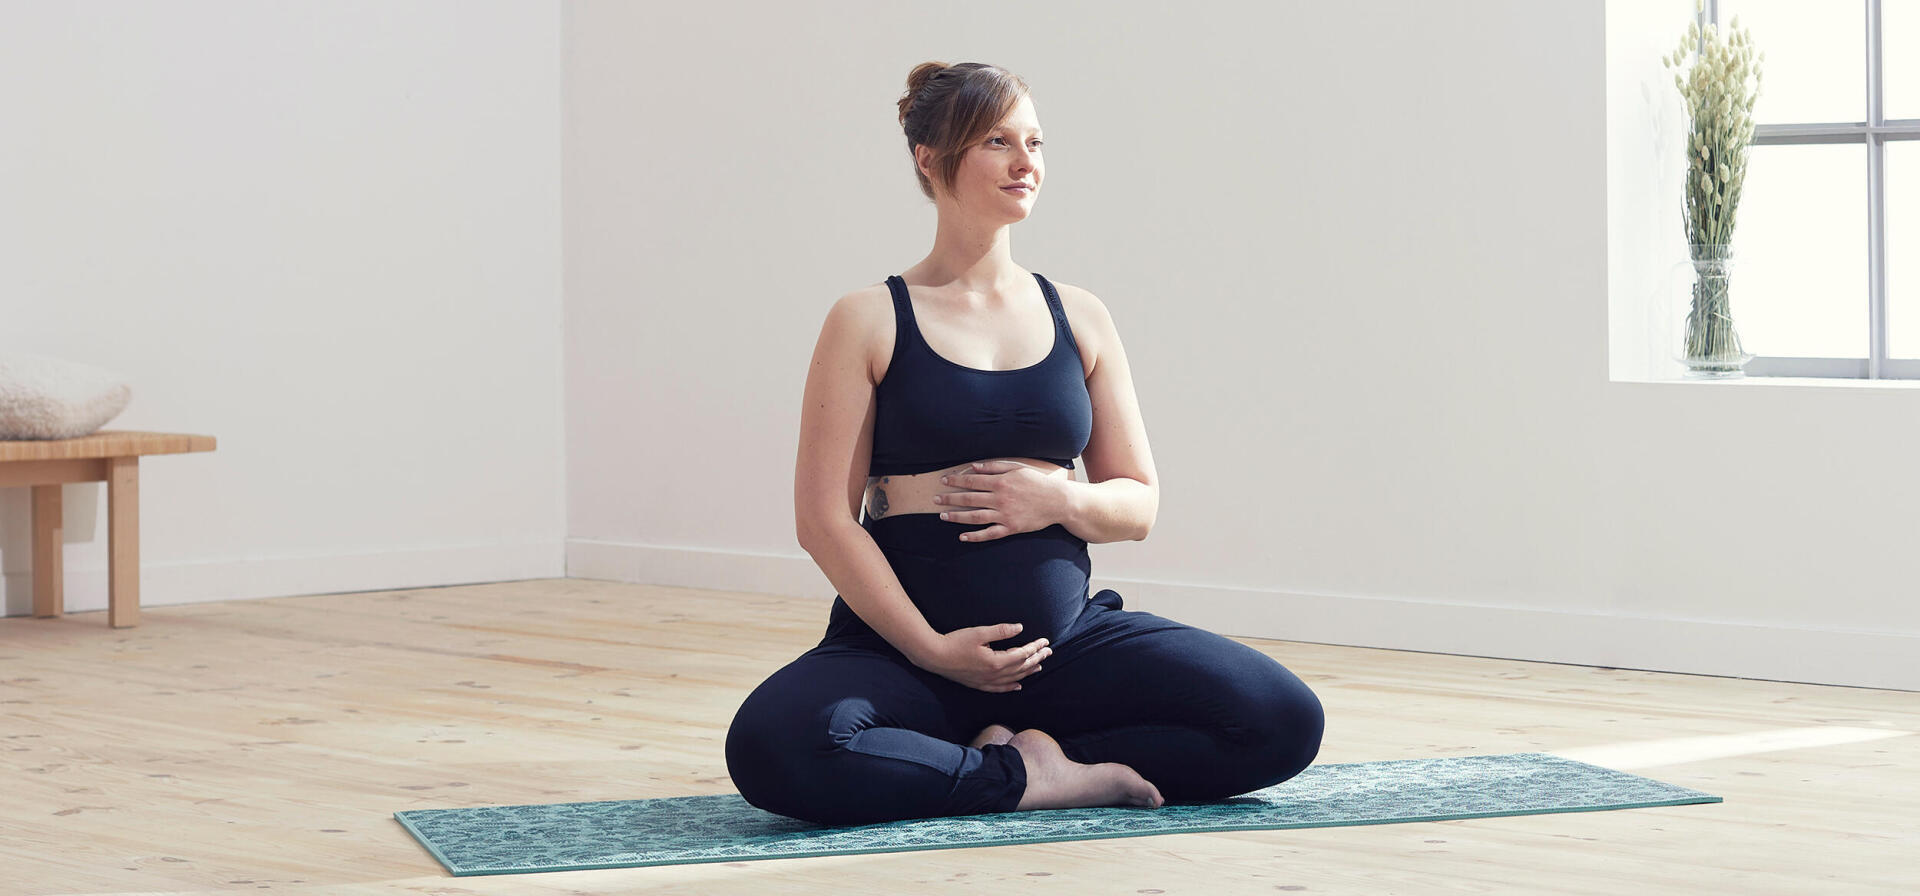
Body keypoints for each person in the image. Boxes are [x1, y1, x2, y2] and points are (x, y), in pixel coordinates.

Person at [724, 61, 1324, 827]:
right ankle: (1022, 775)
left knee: (1282, 718)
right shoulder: (867, 318)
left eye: (1035, 141)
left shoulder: (1081, 316)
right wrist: (932, 650)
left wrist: (1061, 498)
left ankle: (1020, 760)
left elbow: (1137, 503)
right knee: (775, 747)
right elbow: (824, 520)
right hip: (905, 654)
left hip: (1064, 649)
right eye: (997, 141)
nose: (1025, 161)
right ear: (930, 159)